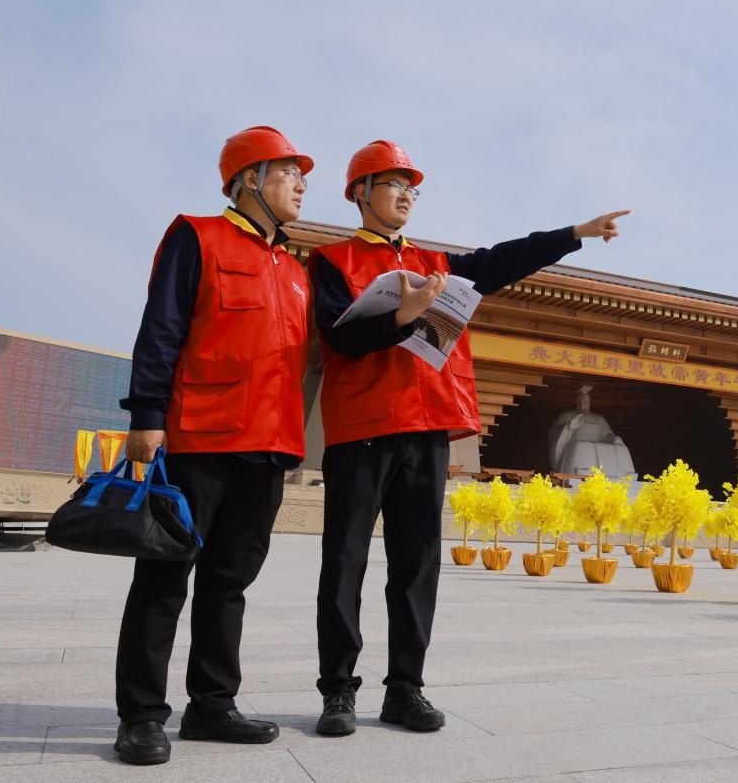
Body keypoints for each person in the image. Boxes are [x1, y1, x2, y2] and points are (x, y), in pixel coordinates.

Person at [310, 140, 627, 736]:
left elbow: (503, 259)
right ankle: (338, 690)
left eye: (412, 187)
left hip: (427, 429)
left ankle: (405, 688)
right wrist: (400, 316)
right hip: (363, 428)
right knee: (345, 560)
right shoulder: (332, 261)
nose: (406, 195)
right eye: (393, 184)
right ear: (360, 192)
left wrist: (575, 234)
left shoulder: (437, 264)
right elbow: (340, 339)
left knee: (417, 563)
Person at [113, 126, 314, 765]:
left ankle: (212, 705)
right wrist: (147, 413)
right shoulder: (196, 237)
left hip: (269, 445)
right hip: (200, 436)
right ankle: (141, 715)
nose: (301, 185)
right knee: (164, 576)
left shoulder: (296, 270)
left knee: (230, 582)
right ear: (250, 178)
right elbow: (161, 328)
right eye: (289, 172)